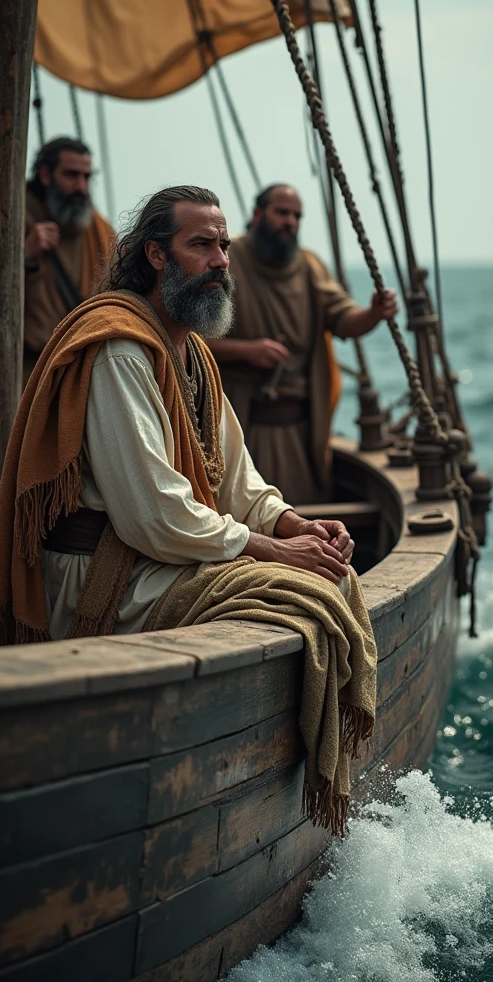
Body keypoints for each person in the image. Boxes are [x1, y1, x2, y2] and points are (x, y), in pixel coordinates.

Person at [0, 185, 377, 834]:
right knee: (298, 593)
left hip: (155, 557)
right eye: (201, 245)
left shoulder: (191, 350)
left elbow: (233, 476)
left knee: (327, 578)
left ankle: (319, 790)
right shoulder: (120, 348)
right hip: (100, 577)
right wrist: (274, 550)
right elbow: (155, 513)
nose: (222, 260)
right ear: (155, 256)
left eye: (224, 246)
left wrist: (293, 523)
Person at [205, 183, 398, 505]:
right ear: (257, 214)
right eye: (281, 212)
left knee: (302, 515)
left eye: (296, 216)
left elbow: (344, 319)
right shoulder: (226, 262)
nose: (290, 222)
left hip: (300, 433)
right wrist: (249, 351)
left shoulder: (309, 266)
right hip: (235, 427)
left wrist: (375, 312)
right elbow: (186, 339)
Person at [23, 136, 115, 381]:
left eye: (86, 177)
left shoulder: (99, 231)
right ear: (45, 174)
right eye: (71, 175)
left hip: (78, 374)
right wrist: (24, 255)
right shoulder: (14, 214)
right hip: (21, 370)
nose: (81, 187)